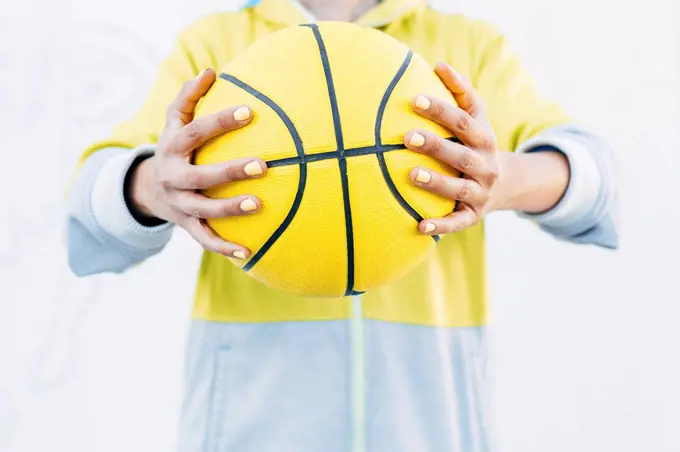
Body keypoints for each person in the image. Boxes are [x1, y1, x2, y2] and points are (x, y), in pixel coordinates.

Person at [65, 0, 619, 450]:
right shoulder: (216, 47)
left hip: (430, 425)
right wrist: (152, 187)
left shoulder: (465, 46)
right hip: (251, 427)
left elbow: (596, 183)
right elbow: (89, 213)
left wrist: (501, 180)